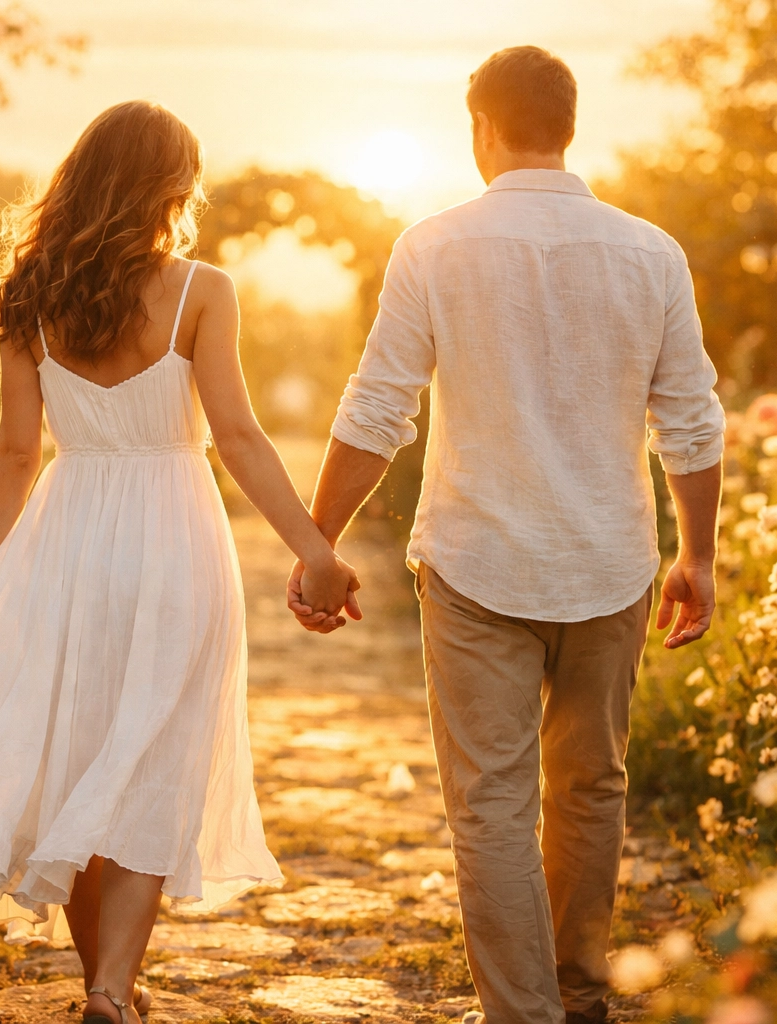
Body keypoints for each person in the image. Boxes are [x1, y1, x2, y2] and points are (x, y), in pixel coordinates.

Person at [0, 100, 360, 1024]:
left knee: (83, 759)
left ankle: (105, 988)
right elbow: (239, 438)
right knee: (148, 759)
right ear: (173, 187)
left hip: (67, 535)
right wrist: (315, 549)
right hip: (174, 537)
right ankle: (112, 988)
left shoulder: (30, 291)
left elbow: (15, 452)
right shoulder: (203, 289)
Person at [288, 46, 726, 1024]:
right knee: (592, 784)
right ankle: (579, 983)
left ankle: (524, 1011)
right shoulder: (650, 251)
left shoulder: (433, 246)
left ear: (481, 128)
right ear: (568, 127)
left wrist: (318, 539)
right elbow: (691, 421)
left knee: (490, 801)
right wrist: (698, 554)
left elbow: (377, 411)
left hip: (477, 562)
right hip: (608, 561)